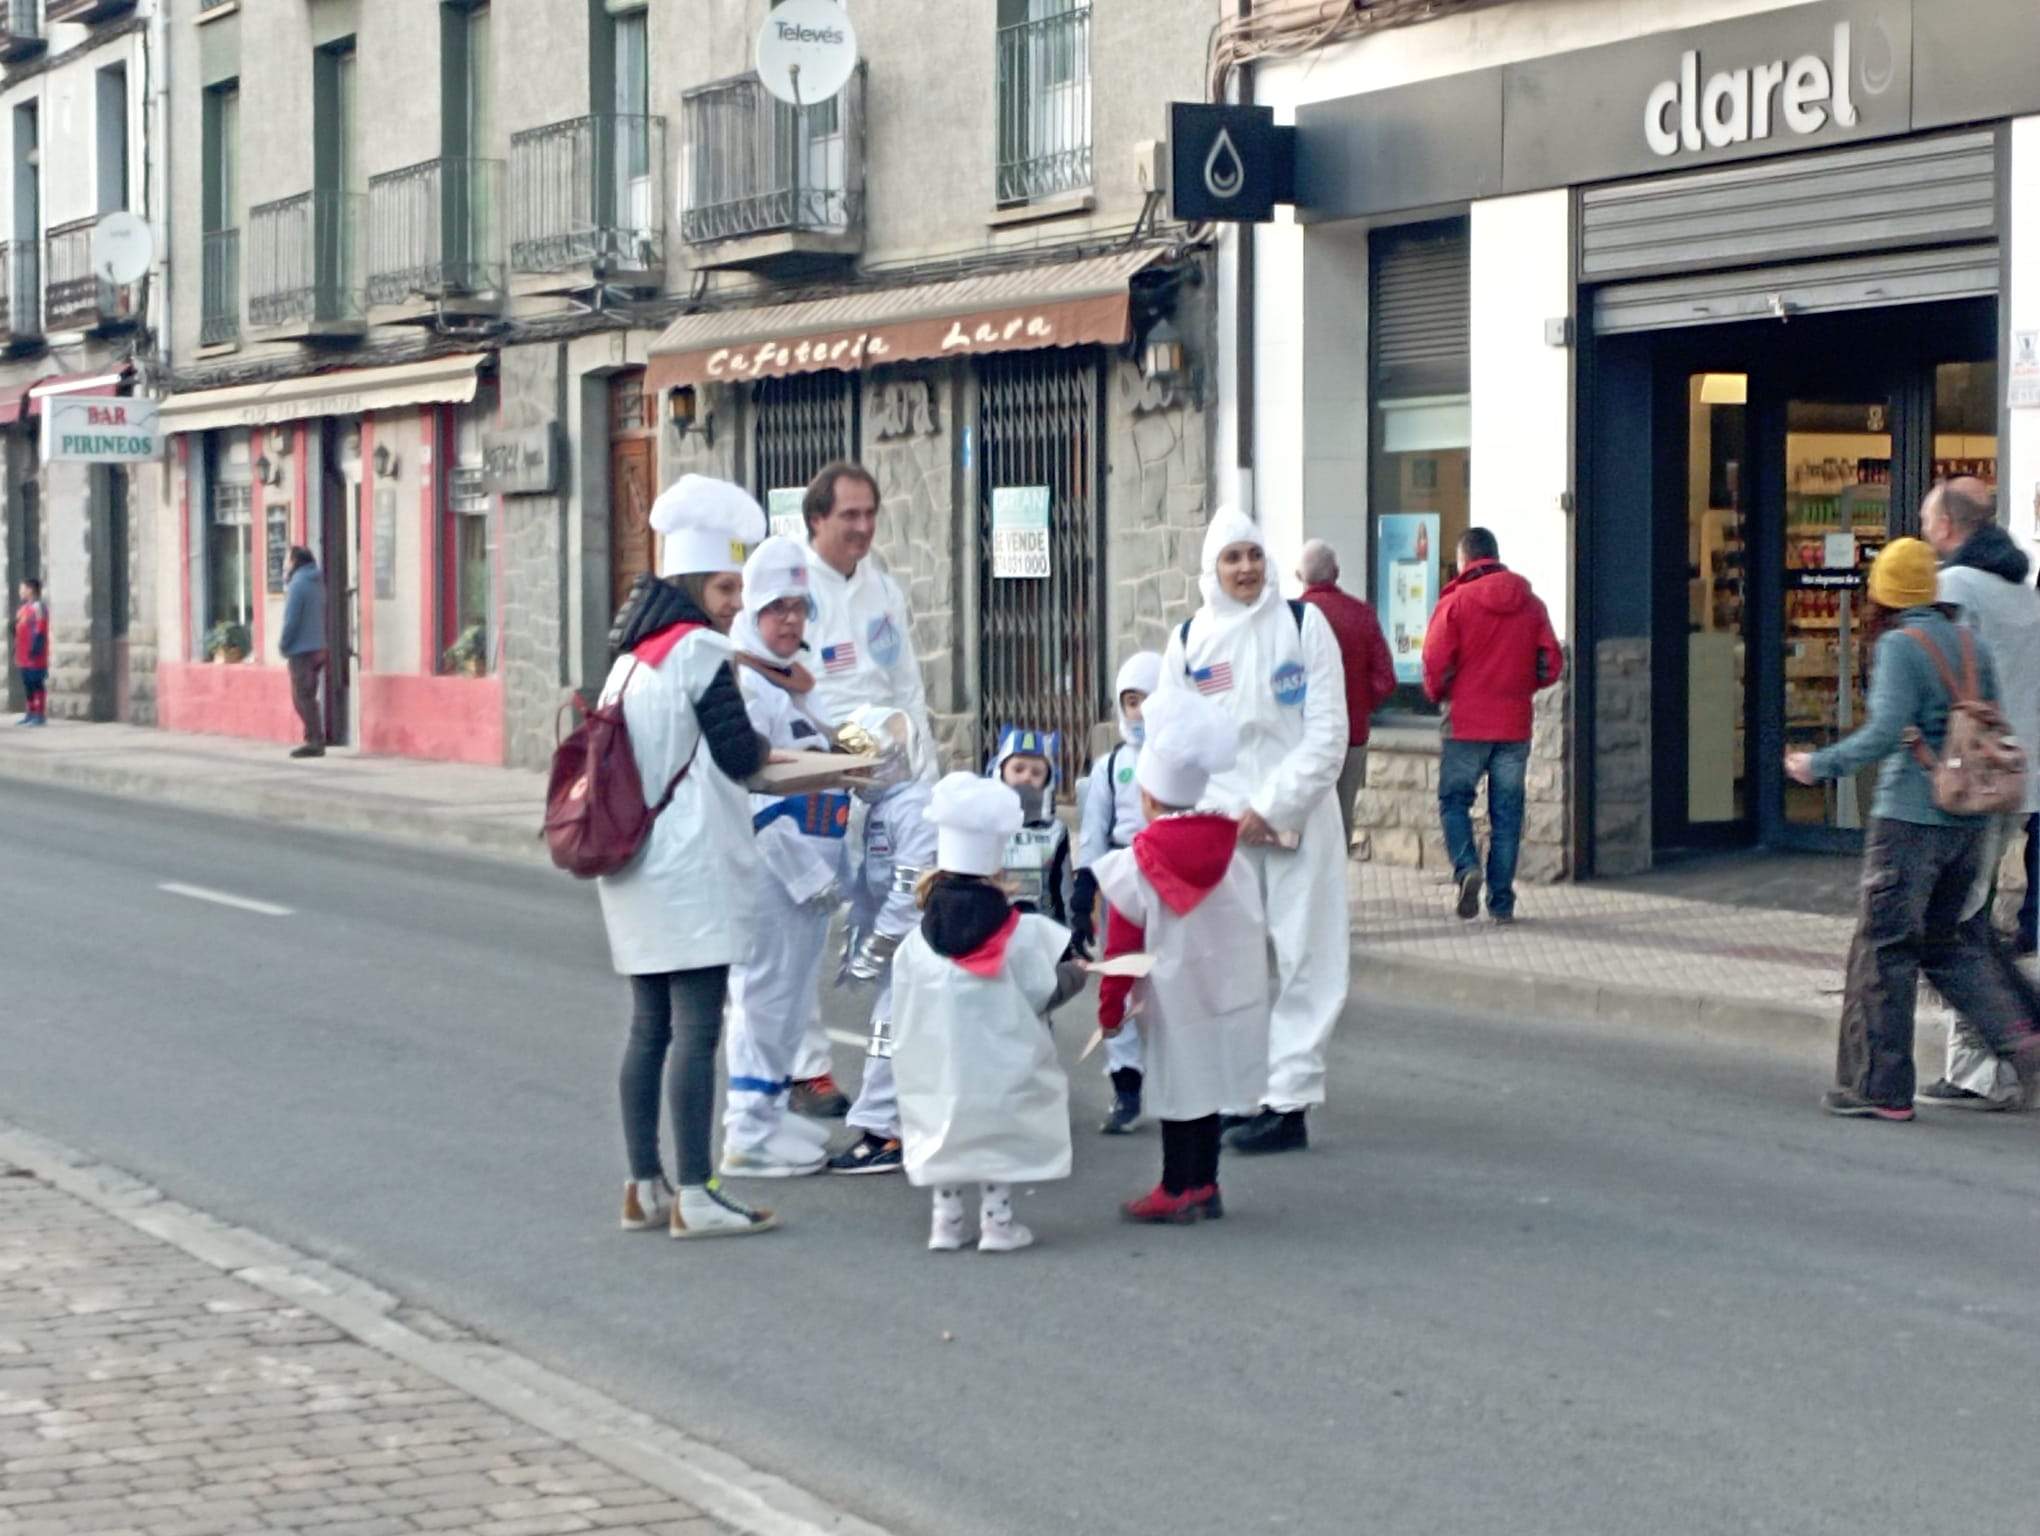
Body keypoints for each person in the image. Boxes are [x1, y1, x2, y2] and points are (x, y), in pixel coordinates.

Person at [1785, 538, 2040, 1122]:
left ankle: (1880, 1087)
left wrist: (1816, 766)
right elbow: (1992, 721)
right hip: (1966, 821)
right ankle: (2020, 1034)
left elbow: (1881, 735)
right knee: (1947, 942)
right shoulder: (1971, 644)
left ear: (1885, 592)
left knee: (1885, 949)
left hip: (1908, 818)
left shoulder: (1902, 645)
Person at [597, 475, 775, 1236]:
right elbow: (741, 756)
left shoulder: (631, 658)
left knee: (650, 1026)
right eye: (728, 586)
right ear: (698, 583)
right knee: (699, 1028)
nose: (738, 602)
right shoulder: (701, 650)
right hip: (689, 867)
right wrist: (821, 762)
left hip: (634, 862)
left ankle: (646, 1184)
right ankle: (698, 1193)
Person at [1154, 507, 1348, 1156]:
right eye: (1232, 558)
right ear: (1212, 568)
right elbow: (1171, 742)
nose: (1245, 568)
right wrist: (1196, 819)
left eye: (1254, 555)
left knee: (1305, 960)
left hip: (1298, 822)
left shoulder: (1303, 625)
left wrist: (1274, 806)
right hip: (1219, 832)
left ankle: (1289, 1100)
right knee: (1231, 967)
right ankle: (1239, 1095)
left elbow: (1327, 734)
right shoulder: (1188, 641)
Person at [799, 461, 944, 1153]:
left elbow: (907, 686)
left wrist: (926, 780)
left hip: (893, 799)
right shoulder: (794, 595)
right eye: (848, 515)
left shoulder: (882, 587)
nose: (862, 527)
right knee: (797, 950)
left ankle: (884, 1112)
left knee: (897, 954)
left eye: (869, 514)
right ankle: (801, 1072)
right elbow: (796, 705)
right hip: (823, 803)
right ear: (816, 520)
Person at [1093, 689, 1270, 1224]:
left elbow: (1122, 948)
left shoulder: (1136, 866)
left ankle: (1177, 1187)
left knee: (1176, 1088)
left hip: (1174, 995)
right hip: (1227, 987)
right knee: (1209, 1084)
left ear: (1147, 799)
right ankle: (1206, 1182)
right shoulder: (1232, 853)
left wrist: (1110, 1009)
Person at [891, 773, 1084, 1253]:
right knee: (998, 1133)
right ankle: (998, 1225)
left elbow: (901, 1005)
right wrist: (1077, 976)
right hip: (1000, 1061)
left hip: (940, 1060)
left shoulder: (917, 942)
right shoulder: (1021, 933)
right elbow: (1045, 990)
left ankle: (946, 1222)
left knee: (946, 1129)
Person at [719, 536, 845, 1177]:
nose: (791, 619)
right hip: (774, 874)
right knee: (763, 998)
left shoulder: (793, 678)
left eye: (800, 606)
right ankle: (746, 1133)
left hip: (809, 869)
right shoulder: (744, 682)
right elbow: (749, 792)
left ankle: (768, 1113)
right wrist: (803, 868)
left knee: (792, 999)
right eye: (777, 607)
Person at [1914, 479, 2040, 1110]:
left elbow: (1940, 681)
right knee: (1978, 920)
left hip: (1973, 781)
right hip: (2021, 777)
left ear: (1946, 528)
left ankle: (1980, 1069)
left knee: (1960, 926)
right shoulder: (2021, 590)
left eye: (1926, 524)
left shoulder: (1956, 590)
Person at [1421, 527, 1563, 925]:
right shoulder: (1531, 604)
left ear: (1465, 559)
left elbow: (1434, 663)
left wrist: (1440, 694)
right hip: (1514, 726)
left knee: (1454, 803)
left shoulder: (1455, 603)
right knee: (1507, 814)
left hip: (1465, 724)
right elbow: (1550, 662)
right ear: (1496, 555)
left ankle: (1467, 868)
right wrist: (1522, 688)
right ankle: (1501, 902)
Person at [827, 706, 938, 1175]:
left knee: (886, 1032)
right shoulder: (880, 809)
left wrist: (881, 944)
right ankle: (903, 1123)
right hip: (902, 945)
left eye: (862, 761)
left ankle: (881, 1131)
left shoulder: (911, 807)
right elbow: (868, 882)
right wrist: (860, 937)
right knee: (899, 1033)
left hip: (919, 944)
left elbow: (912, 884)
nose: (856, 774)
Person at [1074, 651, 1162, 1133]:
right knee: (1121, 976)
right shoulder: (1111, 767)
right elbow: (1093, 829)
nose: (1139, 712)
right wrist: (1084, 885)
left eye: (1148, 700)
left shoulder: (1180, 755)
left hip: (1168, 874)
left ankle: (1186, 1083)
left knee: (1173, 980)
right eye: (1130, 702)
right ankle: (1125, 1084)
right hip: (1122, 875)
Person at [1297, 540, 1396, 846]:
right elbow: (1385, 678)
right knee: (1341, 817)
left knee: (1301, 821)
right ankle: (1336, 885)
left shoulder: (1291, 619)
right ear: (1337, 573)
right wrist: (1359, 704)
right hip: (1350, 734)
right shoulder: (1361, 614)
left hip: (1300, 737)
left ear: (1298, 574)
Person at [988, 726, 1073, 928]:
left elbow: (1065, 891)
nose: (1027, 777)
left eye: (1036, 772)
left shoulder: (1056, 832)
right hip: (993, 931)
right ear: (1000, 772)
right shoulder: (985, 826)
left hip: (1044, 933)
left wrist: (1070, 939)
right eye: (1018, 769)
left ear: (1049, 780)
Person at [280, 548, 328, 760]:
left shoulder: (297, 585)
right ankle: (313, 737)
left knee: (301, 697)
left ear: (295, 561)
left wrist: (284, 644)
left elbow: (292, 620)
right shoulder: (317, 582)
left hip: (301, 649)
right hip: (318, 647)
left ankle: (315, 740)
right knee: (308, 694)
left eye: (287, 560)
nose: (284, 564)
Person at [13, 577, 47, 727]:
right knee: (27, 684)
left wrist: (37, 646)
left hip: (35, 653)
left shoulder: (38, 607)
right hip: (23, 653)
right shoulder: (23, 608)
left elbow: (40, 628)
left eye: (23, 588)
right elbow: (19, 629)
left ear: (30, 590)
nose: (20, 591)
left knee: (36, 683)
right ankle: (30, 712)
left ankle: (39, 714)